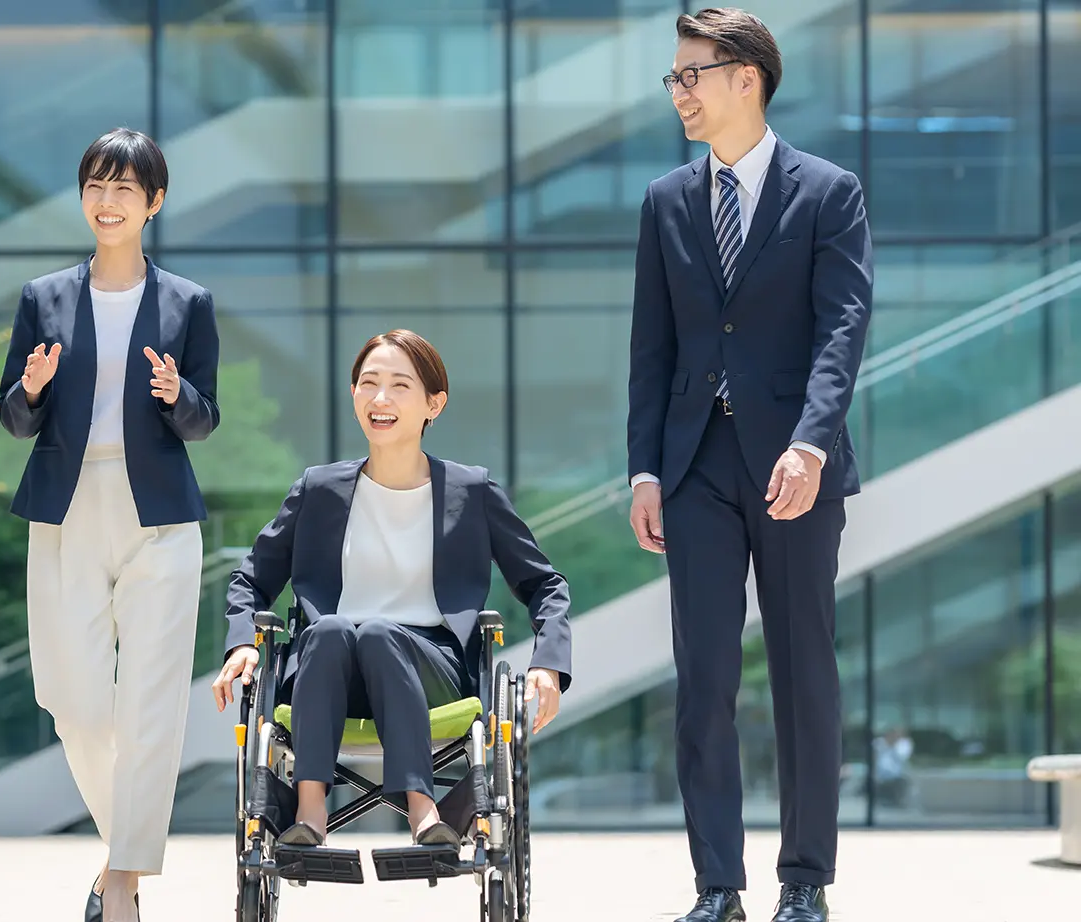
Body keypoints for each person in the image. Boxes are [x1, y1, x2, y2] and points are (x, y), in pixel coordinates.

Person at [627, 9, 871, 922]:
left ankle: (803, 881)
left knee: (806, 670)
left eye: (692, 74)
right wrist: (644, 472)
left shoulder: (828, 192)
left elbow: (842, 329)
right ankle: (717, 887)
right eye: (675, 78)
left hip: (795, 467)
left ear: (747, 78)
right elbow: (650, 348)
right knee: (705, 680)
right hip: (694, 467)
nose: (680, 91)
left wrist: (811, 440)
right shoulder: (664, 201)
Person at [210, 330, 571, 849]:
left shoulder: (472, 492)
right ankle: (309, 809)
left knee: (379, 632)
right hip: (325, 673)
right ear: (354, 394)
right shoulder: (317, 489)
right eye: (368, 384)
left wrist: (547, 662)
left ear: (433, 403)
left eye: (400, 385)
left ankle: (423, 811)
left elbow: (545, 583)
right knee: (333, 629)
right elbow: (250, 579)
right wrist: (243, 641)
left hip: (431, 672)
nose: (381, 399)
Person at [0, 127, 220, 922]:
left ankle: (122, 884)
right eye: (96, 184)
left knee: (150, 704)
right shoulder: (44, 297)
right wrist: (28, 389)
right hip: (65, 506)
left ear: (154, 202)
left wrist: (175, 396)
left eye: (125, 187)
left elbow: (205, 420)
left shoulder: (188, 303)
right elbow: (14, 419)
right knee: (75, 704)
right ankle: (115, 855)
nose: (107, 200)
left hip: (158, 515)